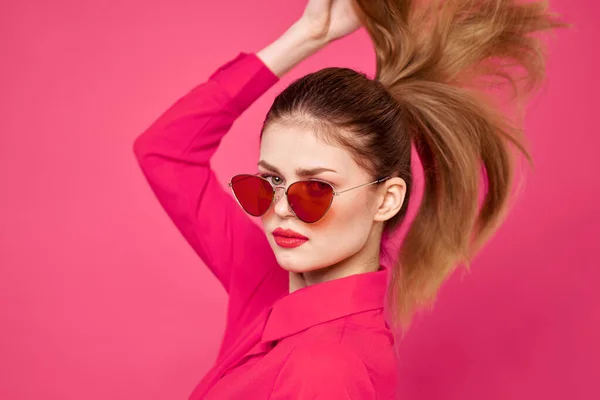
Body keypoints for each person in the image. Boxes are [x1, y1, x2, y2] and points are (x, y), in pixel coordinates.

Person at [133, 0, 564, 398]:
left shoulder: (326, 370)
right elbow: (165, 153)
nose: (280, 208)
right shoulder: (268, 281)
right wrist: (307, 35)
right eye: (267, 182)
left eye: (315, 188)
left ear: (386, 200)